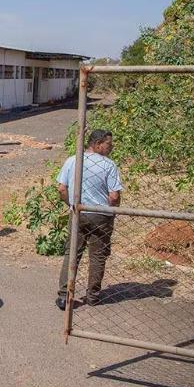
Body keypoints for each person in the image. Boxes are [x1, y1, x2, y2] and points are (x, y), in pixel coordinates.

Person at [55, 130, 123, 310]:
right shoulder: (109, 165)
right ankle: (92, 296)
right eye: (109, 144)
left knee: (72, 254)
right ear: (98, 143)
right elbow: (114, 196)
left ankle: (64, 296)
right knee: (97, 256)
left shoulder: (73, 160)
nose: (111, 147)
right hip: (101, 215)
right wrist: (113, 210)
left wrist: (71, 204)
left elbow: (62, 189)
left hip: (78, 212)